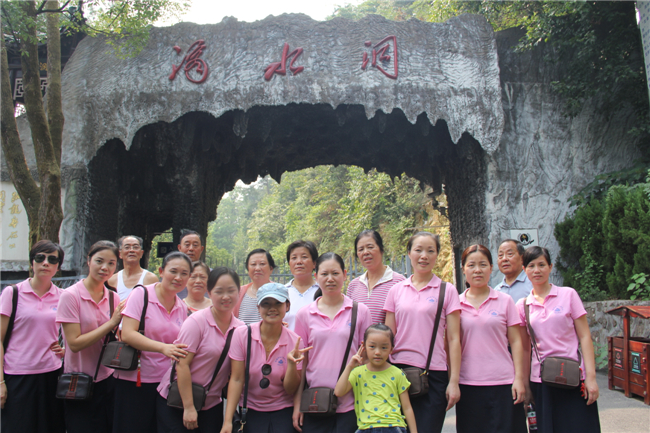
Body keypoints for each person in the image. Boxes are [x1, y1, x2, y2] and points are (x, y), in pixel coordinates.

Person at [383, 232, 461, 433]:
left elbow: (454, 339)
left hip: (433, 373)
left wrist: (453, 381)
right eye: (418, 250)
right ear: (409, 253)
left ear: (437, 255)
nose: (424, 256)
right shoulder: (396, 291)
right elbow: (388, 337)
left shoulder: (447, 290)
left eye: (430, 251)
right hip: (397, 371)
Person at [517, 246, 601, 433]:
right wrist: (525, 384)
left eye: (541, 265)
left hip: (574, 377)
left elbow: (585, 336)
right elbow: (525, 348)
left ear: (550, 266)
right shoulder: (523, 306)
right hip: (541, 381)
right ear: (524, 270)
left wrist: (591, 378)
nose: (537, 270)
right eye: (531, 266)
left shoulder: (568, 295)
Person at [157, 267, 244, 432]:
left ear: (239, 292)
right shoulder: (196, 322)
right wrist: (189, 407)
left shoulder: (240, 329)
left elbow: (237, 376)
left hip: (211, 405)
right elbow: (182, 364)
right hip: (178, 402)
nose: (226, 296)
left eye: (231, 290)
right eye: (219, 291)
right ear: (209, 293)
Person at [113, 251, 192, 433]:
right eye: (173, 271)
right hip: (135, 380)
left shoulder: (182, 307)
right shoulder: (141, 295)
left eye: (184, 273)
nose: (178, 277)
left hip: (165, 383)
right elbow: (128, 334)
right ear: (161, 271)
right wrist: (163, 348)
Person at [293, 253, 372, 433]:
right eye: (324, 274)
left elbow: (367, 359)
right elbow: (301, 364)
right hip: (315, 402)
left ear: (344, 274)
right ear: (316, 276)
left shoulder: (360, 311)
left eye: (335, 273)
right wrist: (298, 404)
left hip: (352, 403)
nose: (330, 279)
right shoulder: (304, 314)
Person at [455, 245, 526, 433]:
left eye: (483, 265)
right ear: (463, 269)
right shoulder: (455, 304)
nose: (477, 270)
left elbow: (516, 342)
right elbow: (452, 343)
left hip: (503, 383)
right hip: (468, 384)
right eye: (471, 265)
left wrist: (519, 379)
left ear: (491, 268)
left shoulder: (505, 301)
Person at [221, 283, 310, 433]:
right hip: (250, 409)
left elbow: (291, 389)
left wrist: (291, 364)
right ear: (258, 307)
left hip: (283, 410)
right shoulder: (242, 335)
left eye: (278, 303)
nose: (272, 308)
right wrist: (227, 421)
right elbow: (236, 379)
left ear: (287, 306)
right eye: (266, 304)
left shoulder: (295, 342)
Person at [56, 240, 125, 433]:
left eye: (111, 263)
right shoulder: (70, 296)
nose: (105, 268)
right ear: (88, 261)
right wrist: (111, 323)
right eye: (99, 261)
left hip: (108, 378)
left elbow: (112, 336)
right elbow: (74, 343)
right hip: (78, 380)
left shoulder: (113, 297)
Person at [0, 240, 66, 433]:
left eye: (52, 259)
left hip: (51, 374)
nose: (46, 263)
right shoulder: (12, 293)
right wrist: (0, 382)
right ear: (32, 263)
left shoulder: (63, 296)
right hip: (17, 375)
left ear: (58, 267)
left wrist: (65, 350)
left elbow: (73, 333)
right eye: (40, 258)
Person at [334, 324, 418, 433]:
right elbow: (338, 392)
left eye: (384, 347)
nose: (377, 352)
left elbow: (407, 408)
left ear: (391, 349)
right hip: (366, 428)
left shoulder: (397, 373)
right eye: (372, 346)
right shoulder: (357, 373)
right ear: (364, 347)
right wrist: (349, 366)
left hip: (393, 427)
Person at [346, 230, 405, 324]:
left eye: (370, 247)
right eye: (361, 249)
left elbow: (404, 319)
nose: (365, 252)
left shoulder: (399, 282)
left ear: (381, 249)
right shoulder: (353, 286)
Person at [108, 235, 159, 301]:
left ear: (141, 253)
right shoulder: (112, 280)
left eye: (135, 247)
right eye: (127, 247)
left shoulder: (151, 279)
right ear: (120, 254)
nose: (131, 250)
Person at [285, 240, 320, 331]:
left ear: (314, 263)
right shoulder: (282, 292)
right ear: (289, 263)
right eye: (294, 258)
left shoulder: (323, 292)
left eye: (304, 257)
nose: (299, 262)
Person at [233, 249, 275, 324]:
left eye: (262, 264)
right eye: (253, 264)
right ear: (248, 269)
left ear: (271, 268)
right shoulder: (239, 292)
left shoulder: (279, 291)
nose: (257, 268)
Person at [494, 239, 532, 305]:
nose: (504, 259)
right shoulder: (497, 291)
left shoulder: (532, 285)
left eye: (510, 254)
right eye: (500, 255)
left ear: (522, 258)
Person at [176, 231, 206, 299]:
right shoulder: (170, 274)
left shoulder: (210, 274)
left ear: (201, 249)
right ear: (179, 248)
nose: (191, 249)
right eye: (187, 245)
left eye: (195, 245)